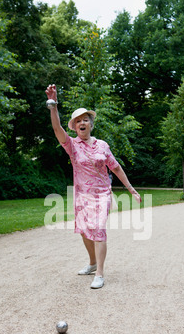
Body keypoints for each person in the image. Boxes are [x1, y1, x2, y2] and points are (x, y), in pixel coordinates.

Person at [45, 84, 141, 289]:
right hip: (82, 195)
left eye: (85, 120)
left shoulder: (102, 146)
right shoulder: (72, 146)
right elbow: (56, 129)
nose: (82, 122)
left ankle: (100, 273)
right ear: (75, 126)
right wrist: (53, 105)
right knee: (83, 231)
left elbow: (115, 168)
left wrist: (130, 188)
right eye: (78, 120)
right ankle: (92, 263)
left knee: (98, 229)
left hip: (102, 194)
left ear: (91, 124)